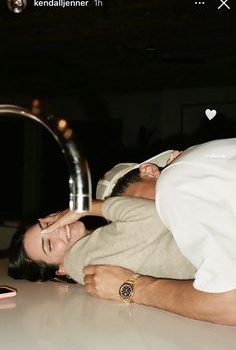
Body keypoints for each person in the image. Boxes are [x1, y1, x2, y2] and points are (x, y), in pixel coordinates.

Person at [41, 139, 236, 326]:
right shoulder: (200, 173)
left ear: (150, 171)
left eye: (133, 205)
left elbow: (230, 303)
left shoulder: (172, 185)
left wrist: (132, 287)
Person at [8, 196, 196, 284]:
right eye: (49, 244)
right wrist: (85, 207)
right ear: (61, 269)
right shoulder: (80, 259)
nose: (56, 229)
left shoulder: (95, 250)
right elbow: (154, 216)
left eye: (47, 226)